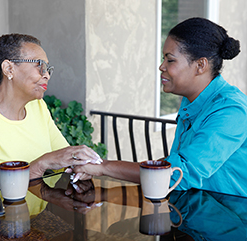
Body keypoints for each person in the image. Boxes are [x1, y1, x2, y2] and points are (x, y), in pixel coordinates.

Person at [70, 17, 247, 197]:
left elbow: (178, 174)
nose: (161, 66)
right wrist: (101, 170)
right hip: (195, 211)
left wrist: (103, 167)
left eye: (170, 60)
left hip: (232, 219)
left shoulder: (231, 111)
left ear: (200, 65)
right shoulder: (192, 100)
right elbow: (173, 164)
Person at [0, 33, 102, 200]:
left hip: (36, 215)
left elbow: (65, 158)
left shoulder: (37, 107)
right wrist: (42, 163)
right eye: (39, 65)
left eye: (48, 68)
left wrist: (80, 164)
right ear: (8, 69)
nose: (46, 74)